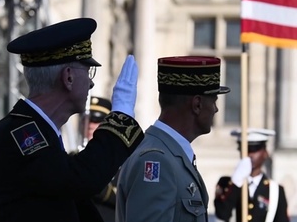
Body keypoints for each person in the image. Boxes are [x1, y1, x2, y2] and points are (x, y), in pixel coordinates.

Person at [0, 18, 144, 222]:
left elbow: (73, 202)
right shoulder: (21, 132)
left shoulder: (38, 129)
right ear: (68, 77)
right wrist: (121, 116)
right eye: (88, 71)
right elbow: (79, 180)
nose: (91, 82)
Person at [116, 56, 230, 222]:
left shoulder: (170, 154)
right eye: (213, 100)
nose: (216, 109)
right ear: (197, 104)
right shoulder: (156, 161)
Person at [214, 128, 290, 222]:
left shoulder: (275, 191)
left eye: (254, 149)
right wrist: (236, 181)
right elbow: (222, 215)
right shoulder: (227, 184)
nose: (249, 155)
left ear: (265, 153)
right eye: (246, 150)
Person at [81, 96, 117, 222]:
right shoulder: (73, 156)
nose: (90, 125)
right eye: (87, 120)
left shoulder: (118, 158)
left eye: (97, 119)